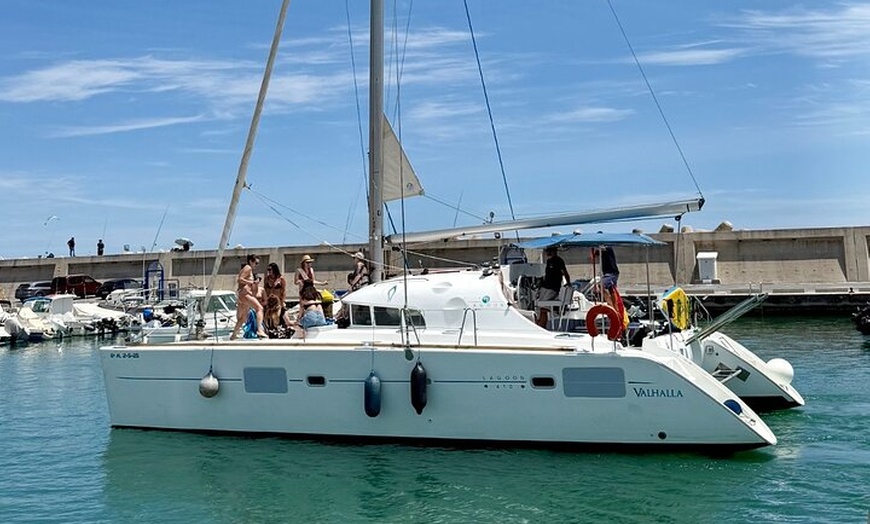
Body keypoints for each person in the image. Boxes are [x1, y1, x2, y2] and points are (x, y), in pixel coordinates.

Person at [231, 254, 266, 339]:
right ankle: (260, 330)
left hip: (243, 294)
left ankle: (234, 335)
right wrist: (251, 282)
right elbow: (240, 279)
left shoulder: (247, 269)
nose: (256, 265)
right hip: (245, 294)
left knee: (243, 318)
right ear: (251, 261)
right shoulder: (248, 268)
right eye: (256, 263)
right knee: (259, 308)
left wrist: (254, 284)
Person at [536, 246, 570, 328]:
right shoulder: (549, 261)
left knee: (543, 306)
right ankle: (541, 322)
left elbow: (564, 272)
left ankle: (542, 325)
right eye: (547, 251)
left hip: (552, 288)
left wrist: (568, 282)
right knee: (540, 306)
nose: (548, 253)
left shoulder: (558, 261)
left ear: (555, 251)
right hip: (546, 287)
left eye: (550, 251)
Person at [263, 262, 291, 337]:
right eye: (268, 270)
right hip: (270, 301)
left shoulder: (281, 279)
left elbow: (283, 291)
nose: (268, 271)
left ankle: (280, 330)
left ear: (274, 270)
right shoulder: (267, 279)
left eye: (270, 269)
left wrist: (282, 301)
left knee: (278, 316)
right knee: (267, 317)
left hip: (278, 301)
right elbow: (265, 290)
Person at [594, 246, 620, 311]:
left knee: (601, 285)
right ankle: (615, 307)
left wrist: (595, 246)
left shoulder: (608, 247)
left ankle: (610, 305)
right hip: (608, 273)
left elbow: (602, 249)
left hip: (612, 273)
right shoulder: (602, 249)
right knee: (611, 289)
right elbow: (596, 254)